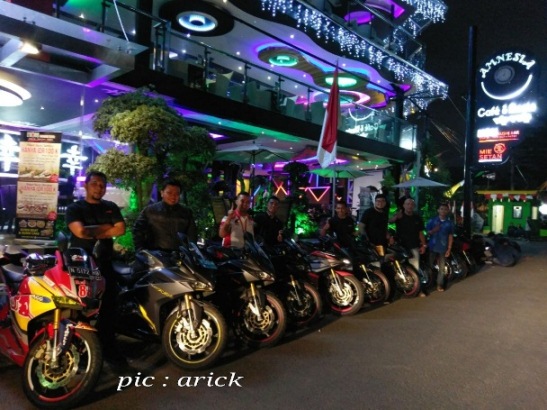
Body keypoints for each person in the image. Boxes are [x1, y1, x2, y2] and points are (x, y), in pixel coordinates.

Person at [65, 171, 126, 364]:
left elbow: (121, 229)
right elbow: (80, 232)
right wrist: (107, 227)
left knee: (109, 304)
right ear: (86, 185)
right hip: (80, 264)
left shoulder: (110, 207)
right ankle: (78, 347)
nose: (99, 188)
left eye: (102, 185)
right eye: (94, 184)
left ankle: (106, 346)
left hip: (104, 262)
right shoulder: (75, 208)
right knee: (80, 306)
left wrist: (93, 231)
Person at [132, 179, 197, 251]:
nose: (173, 196)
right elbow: (137, 231)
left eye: (177, 194)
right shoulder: (150, 211)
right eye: (169, 193)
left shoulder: (186, 212)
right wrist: (141, 250)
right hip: (156, 254)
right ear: (162, 193)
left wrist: (191, 252)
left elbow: (192, 235)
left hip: (180, 254)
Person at [391, 198, 428, 297]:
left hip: (413, 246)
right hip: (400, 247)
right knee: (397, 268)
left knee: (415, 268)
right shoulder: (399, 216)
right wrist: (395, 217)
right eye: (407, 204)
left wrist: (424, 245)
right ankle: (398, 290)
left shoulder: (417, 217)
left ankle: (419, 290)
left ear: (414, 206)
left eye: (411, 204)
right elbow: (389, 222)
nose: (409, 206)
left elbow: (420, 232)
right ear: (404, 205)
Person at [425, 202, 454, 292]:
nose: (443, 211)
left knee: (442, 268)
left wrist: (449, 248)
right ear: (438, 210)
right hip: (432, 246)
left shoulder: (449, 223)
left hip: (443, 247)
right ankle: (429, 283)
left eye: (445, 209)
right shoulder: (432, 221)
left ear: (448, 211)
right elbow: (426, 233)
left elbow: (450, 236)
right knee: (430, 266)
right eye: (441, 209)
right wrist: (433, 230)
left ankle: (439, 284)